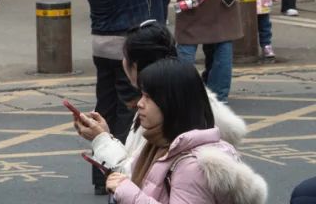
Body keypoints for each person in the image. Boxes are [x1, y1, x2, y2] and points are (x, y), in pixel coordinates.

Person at [70, 0, 168, 194]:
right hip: (127, 44)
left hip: (101, 43)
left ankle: (101, 177)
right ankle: (124, 170)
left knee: (106, 106)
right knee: (130, 110)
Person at [75, 22, 248, 176]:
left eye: (125, 57)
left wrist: (102, 140)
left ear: (136, 65)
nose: (140, 104)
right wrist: (106, 136)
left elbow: (135, 176)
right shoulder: (180, 94)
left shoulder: (162, 109)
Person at [104, 59, 267, 204]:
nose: (140, 103)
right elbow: (128, 172)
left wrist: (127, 193)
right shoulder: (161, 145)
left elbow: (130, 189)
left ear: (172, 103)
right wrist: (101, 138)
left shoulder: (192, 166)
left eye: (148, 97)